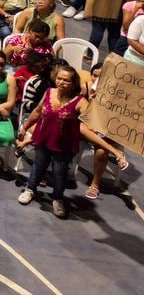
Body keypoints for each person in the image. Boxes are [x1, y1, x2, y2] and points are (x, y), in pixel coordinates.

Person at [16, 63, 129, 218]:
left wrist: (96, 102)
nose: (61, 82)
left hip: (64, 145)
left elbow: (93, 119)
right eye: (59, 78)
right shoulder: (49, 92)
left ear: (73, 83)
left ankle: (57, 198)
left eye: (66, 80)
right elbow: (37, 112)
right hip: (44, 138)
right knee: (38, 165)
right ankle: (30, 189)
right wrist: (25, 128)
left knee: (60, 172)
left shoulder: (80, 101)